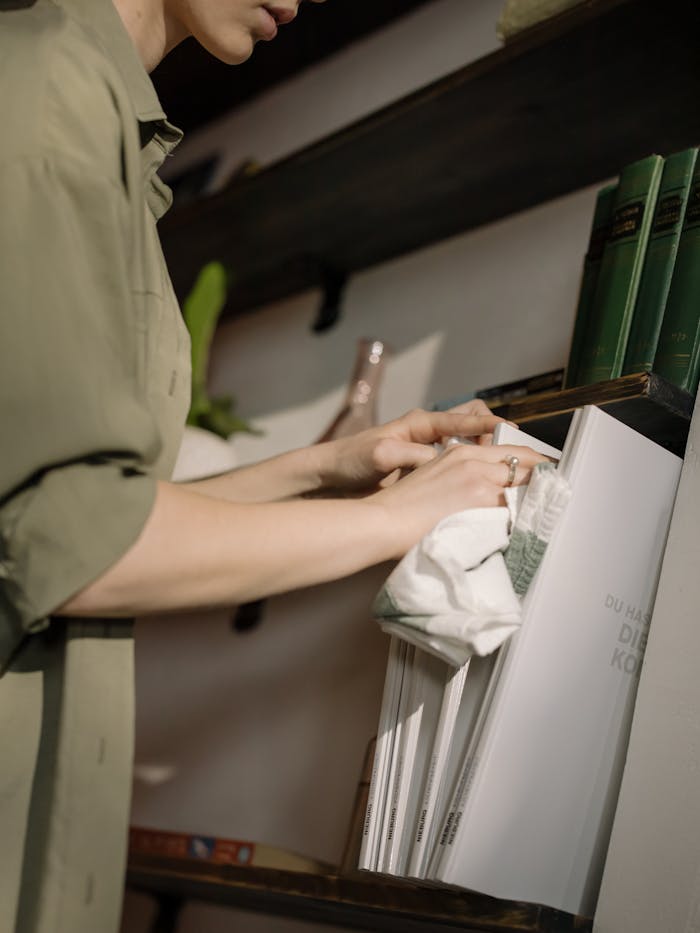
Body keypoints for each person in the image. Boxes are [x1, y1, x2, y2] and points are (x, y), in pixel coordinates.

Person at [0, 1, 546, 931]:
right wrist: (393, 517)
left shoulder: (105, 119)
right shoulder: (53, 86)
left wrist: (326, 466)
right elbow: (75, 544)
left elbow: (87, 506)